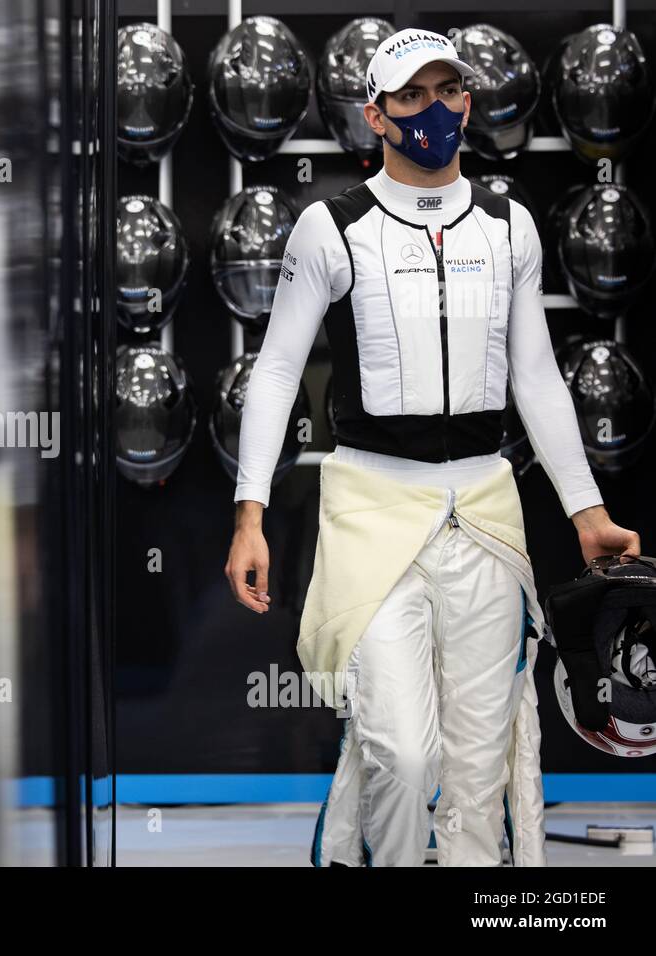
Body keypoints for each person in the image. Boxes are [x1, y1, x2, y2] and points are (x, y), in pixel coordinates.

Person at [224, 28, 640, 866]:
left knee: (480, 769)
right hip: (371, 509)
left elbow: (536, 376)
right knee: (406, 757)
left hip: (486, 508)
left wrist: (587, 511)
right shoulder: (327, 227)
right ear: (375, 115)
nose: (432, 110)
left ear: (468, 102)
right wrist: (250, 515)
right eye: (410, 96)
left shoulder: (510, 225)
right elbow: (273, 375)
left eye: (446, 90)